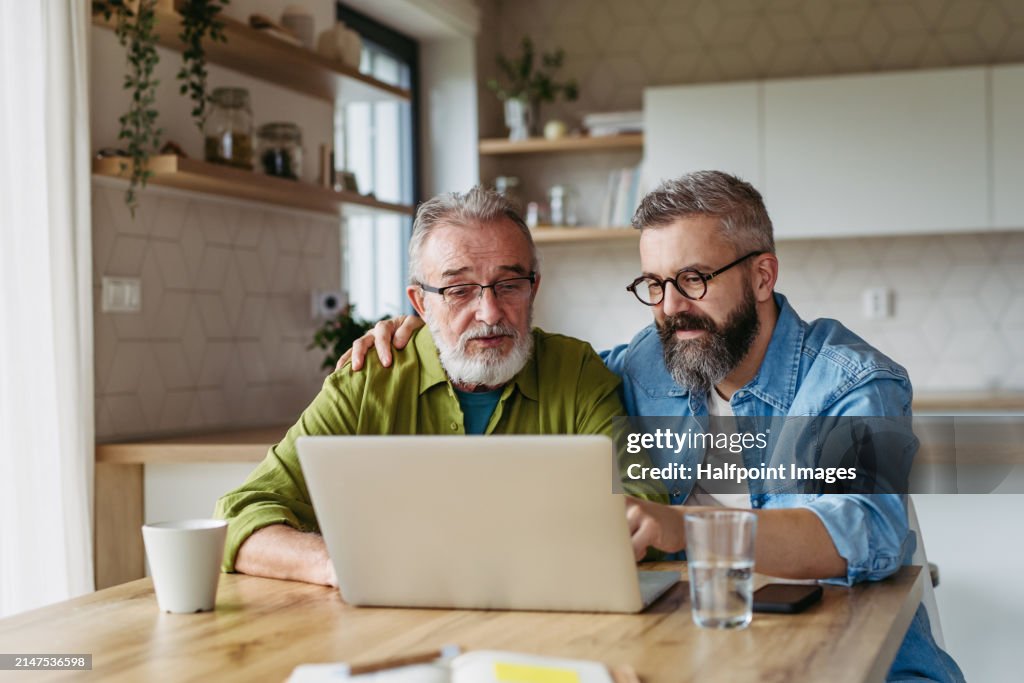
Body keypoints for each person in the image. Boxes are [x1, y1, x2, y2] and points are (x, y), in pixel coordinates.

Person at [344, 171, 963, 681]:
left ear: (762, 276)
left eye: (694, 279)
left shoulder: (856, 382)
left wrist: (682, 527)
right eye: (655, 284)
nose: (670, 308)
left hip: (856, 661)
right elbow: (533, 368)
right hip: (693, 654)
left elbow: (865, 528)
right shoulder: (648, 361)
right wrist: (430, 328)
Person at [214, 186, 662, 587]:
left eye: (509, 285)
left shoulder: (576, 371)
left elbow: (643, 507)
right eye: (459, 290)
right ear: (420, 303)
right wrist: (338, 565)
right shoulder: (370, 378)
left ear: (534, 289)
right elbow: (239, 515)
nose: (489, 312)